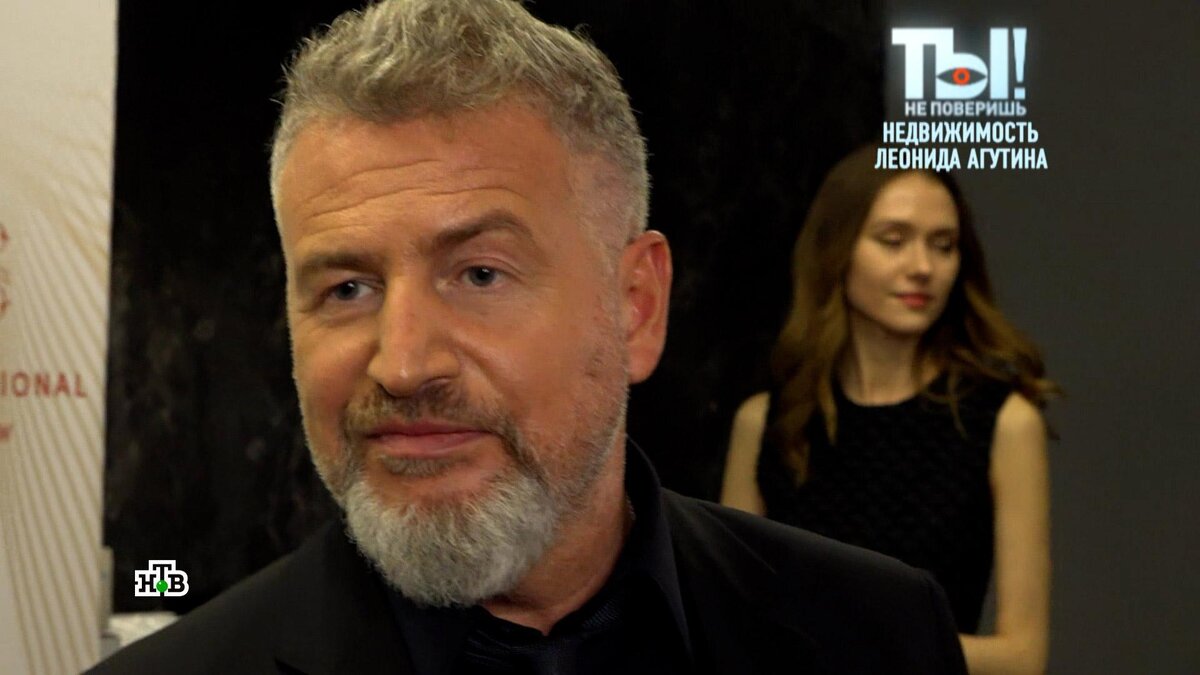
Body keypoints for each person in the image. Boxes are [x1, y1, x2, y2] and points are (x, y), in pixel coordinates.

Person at [90, 2, 969, 673]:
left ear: (635, 305)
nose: (403, 364)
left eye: (479, 275)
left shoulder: (879, 636)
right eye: (347, 288)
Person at [721, 145, 1056, 674]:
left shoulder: (1004, 423)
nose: (922, 268)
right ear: (837, 249)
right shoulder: (767, 422)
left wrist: (848, 641)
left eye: (943, 246)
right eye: (893, 240)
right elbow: (728, 629)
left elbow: (1021, 657)